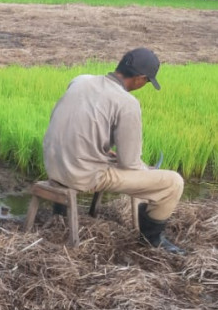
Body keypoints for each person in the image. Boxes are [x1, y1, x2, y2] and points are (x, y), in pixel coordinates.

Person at [42, 48, 185, 254]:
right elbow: (129, 163)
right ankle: (152, 240)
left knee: (119, 163)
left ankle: (59, 214)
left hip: (53, 164)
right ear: (140, 79)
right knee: (173, 183)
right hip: (82, 174)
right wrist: (146, 170)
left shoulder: (80, 80)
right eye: (146, 82)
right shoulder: (127, 103)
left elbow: (77, 124)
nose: (143, 86)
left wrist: (101, 150)